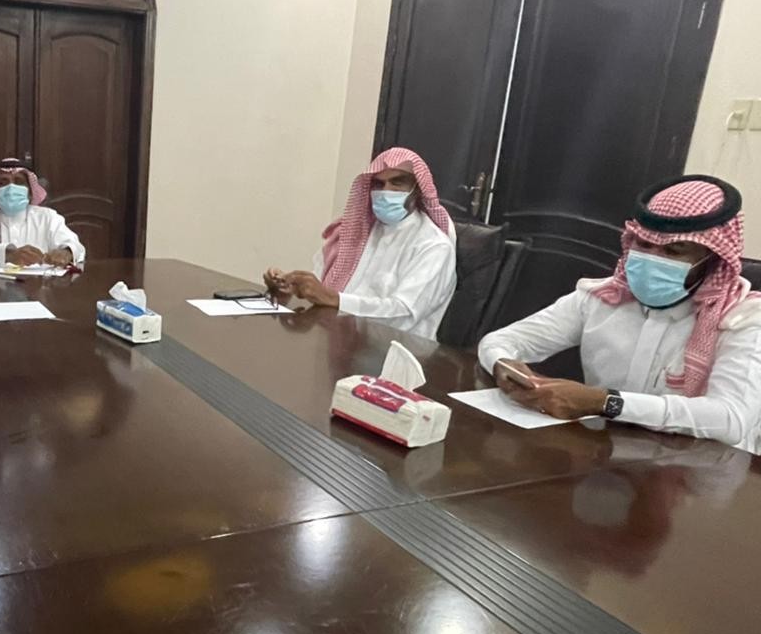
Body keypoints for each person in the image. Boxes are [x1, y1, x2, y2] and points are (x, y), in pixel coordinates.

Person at [479, 177, 761, 453]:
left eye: (674, 250)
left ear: (712, 259)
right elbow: (499, 341)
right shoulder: (602, 296)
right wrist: (503, 364)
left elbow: (731, 419)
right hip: (605, 457)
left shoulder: (744, 318)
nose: (653, 258)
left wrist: (605, 402)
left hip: (702, 471)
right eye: (644, 245)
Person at [264, 147, 457, 338]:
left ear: (417, 190)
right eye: (379, 184)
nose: (385, 191)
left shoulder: (433, 246)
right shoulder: (357, 230)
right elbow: (322, 284)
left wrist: (334, 299)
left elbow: (403, 314)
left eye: (397, 183)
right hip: (339, 339)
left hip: (396, 350)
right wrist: (293, 285)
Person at [0, 158, 85, 267]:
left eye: (19, 182)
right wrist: (8, 255)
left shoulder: (47, 217)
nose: (11, 188)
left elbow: (75, 245)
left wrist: (66, 252)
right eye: (2, 183)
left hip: (39, 285)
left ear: (30, 192)